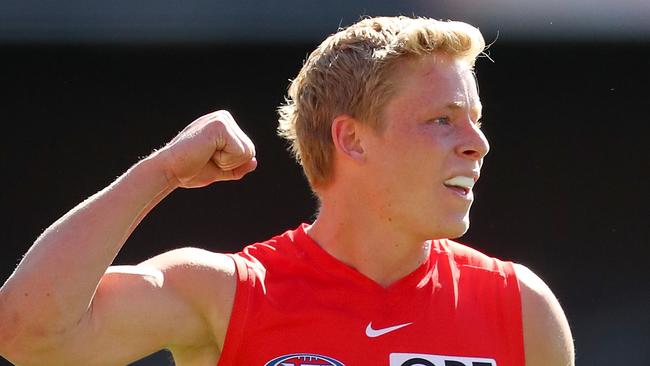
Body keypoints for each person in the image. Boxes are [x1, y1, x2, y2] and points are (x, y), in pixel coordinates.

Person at [0, 16, 574, 366]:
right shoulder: (228, 295)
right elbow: (27, 336)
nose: (479, 144)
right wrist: (163, 172)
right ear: (352, 139)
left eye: (476, 118)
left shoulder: (522, 308)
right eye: (443, 120)